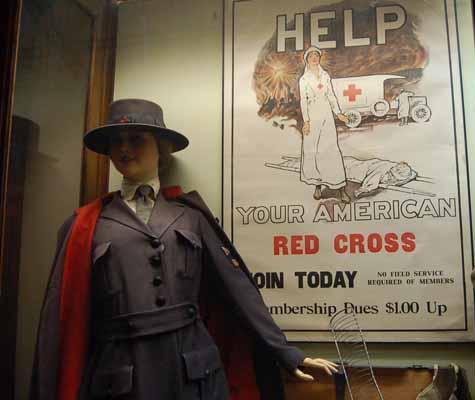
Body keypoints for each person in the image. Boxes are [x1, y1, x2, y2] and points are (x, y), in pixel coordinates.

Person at [30, 99, 337, 400]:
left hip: (193, 373)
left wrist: (285, 352)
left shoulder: (191, 216)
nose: (124, 149)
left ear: (160, 148)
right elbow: (62, 319)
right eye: (116, 141)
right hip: (122, 378)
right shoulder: (84, 226)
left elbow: (238, 290)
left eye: (136, 139)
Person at [298, 46, 351, 203]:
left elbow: (331, 95)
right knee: (314, 151)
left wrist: (338, 113)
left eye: (317, 55)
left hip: (326, 115)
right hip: (312, 117)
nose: (314, 58)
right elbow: (303, 101)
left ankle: (341, 189)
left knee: (331, 150)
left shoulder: (325, 75)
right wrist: (306, 122)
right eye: (311, 56)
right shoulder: (304, 79)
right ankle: (318, 186)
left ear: (319, 58)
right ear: (307, 60)